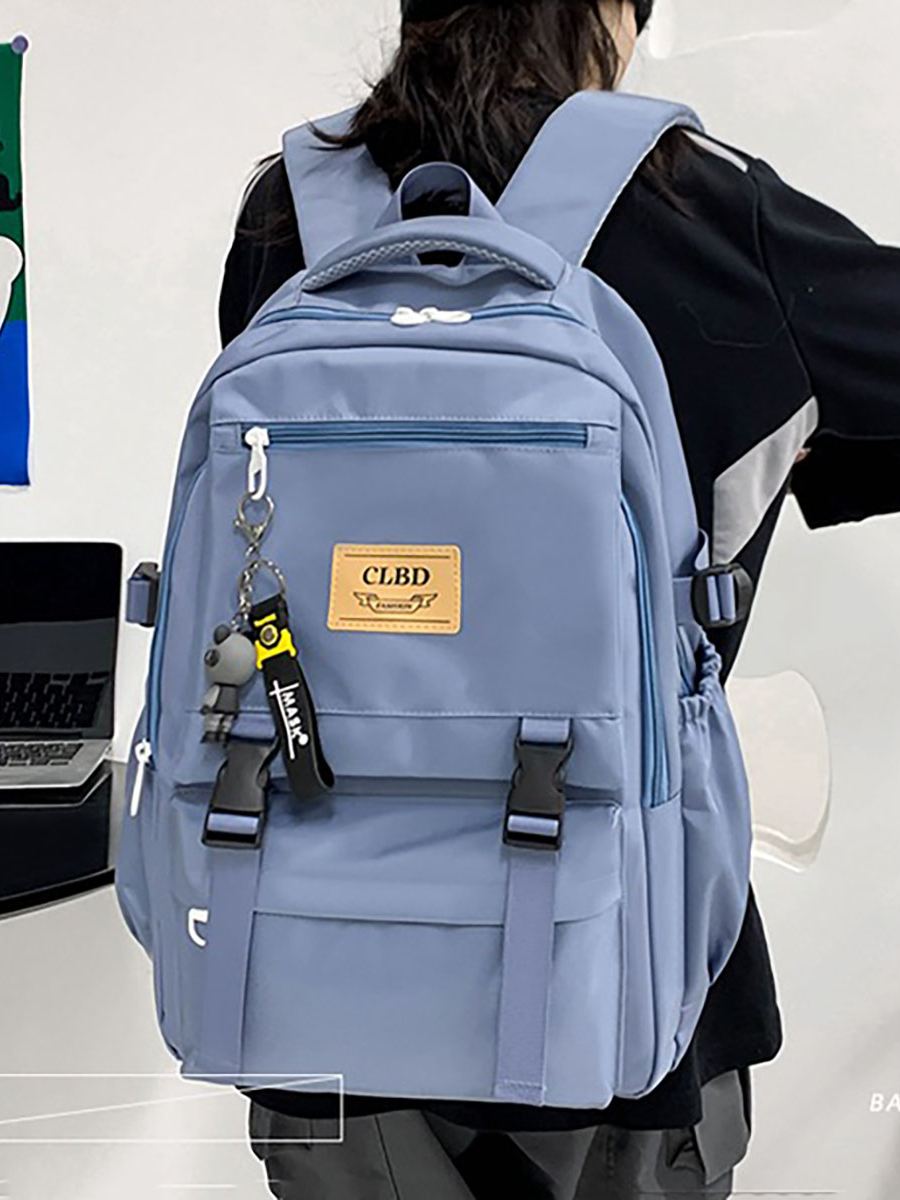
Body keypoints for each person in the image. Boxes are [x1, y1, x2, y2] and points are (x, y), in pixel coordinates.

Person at [217, 1, 900, 1197]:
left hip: (319, 986)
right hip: (623, 996)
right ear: (610, 15)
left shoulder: (291, 211)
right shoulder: (702, 209)